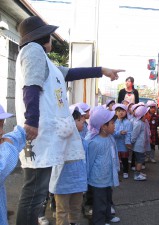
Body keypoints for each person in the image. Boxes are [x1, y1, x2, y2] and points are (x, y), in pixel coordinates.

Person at [14, 16, 124, 225]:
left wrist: (101, 71)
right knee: (34, 193)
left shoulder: (44, 60)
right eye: (49, 35)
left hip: (44, 134)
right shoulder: (33, 50)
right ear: (42, 37)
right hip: (39, 133)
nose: (52, 39)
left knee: (36, 193)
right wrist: (32, 121)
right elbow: (31, 86)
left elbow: (70, 73)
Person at [49, 105, 89, 225]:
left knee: (76, 206)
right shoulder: (60, 138)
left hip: (78, 180)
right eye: (79, 119)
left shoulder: (82, 140)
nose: (83, 121)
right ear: (69, 122)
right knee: (62, 209)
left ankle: (73, 222)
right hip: (62, 180)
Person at [86, 106, 120, 225]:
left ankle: (107, 217)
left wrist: (116, 168)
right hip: (97, 179)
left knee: (107, 199)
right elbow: (89, 162)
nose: (114, 125)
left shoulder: (110, 138)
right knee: (99, 202)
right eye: (112, 123)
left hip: (107, 176)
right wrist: (86, 179)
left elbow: (114, 154)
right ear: (103, 126)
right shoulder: (94, 142)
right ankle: (98, 221)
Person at [0, 104, 26, 225]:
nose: (2, 131)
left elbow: (11, 137)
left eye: (2, 125)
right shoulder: (5, 146)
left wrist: (24, 130)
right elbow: (2, 168)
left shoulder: (3, 140)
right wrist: (8, 146)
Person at [131, 106, 151, 181]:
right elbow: (134, 135)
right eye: (147, 113)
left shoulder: (143, 122)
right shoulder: (138, 123)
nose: (148, 114)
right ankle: (137, 175)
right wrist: (132, 142)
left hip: (141, 146)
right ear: (143, 115)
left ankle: (138, 172)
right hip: (138, 146)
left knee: (138, 160)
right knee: (140, 161)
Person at [112, 103, 132, 179]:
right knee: (115, 158)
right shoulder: (113, 122)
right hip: (115, 144)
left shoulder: (128, 122)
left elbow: (129, 133)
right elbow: (112, 133)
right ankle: (116, 171)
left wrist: (128, 143)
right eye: (119, 111)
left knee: (124, 159)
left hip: (124, 144)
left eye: (123, 111)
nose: (121, 112)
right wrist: (119, 133)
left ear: (126, 112)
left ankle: (125, 171)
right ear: (116, 112)